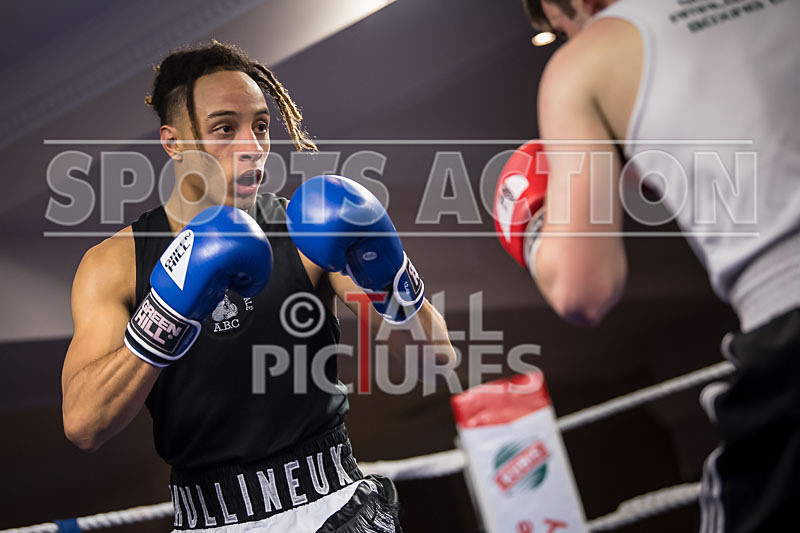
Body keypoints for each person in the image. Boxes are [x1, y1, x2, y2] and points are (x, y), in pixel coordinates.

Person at [61, 41, 456, 532]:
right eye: (225, 127)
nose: (252, 144)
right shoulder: (115, 264)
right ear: (174, 142)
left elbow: (435, 361)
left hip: (333, 506)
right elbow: (83, 425)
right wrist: (165, 313)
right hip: (210, 519)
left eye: (262, 126)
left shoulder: (305, 230)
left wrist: (390, 271)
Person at [494, 1, 800, 531]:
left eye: (562, 29)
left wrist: (536, 224)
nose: (570, 40)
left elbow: (582, 289)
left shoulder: (588, 60)